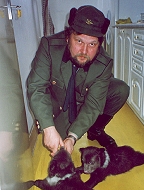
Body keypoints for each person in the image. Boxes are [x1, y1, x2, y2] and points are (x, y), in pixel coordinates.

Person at [27, 5, 129, 155]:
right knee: (57, 142)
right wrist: (48, 127)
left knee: (120, 89)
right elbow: (37, 87)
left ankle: (95, 130)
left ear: (100, 44)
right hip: (58, 103)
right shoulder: (49, 46)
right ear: (68, 37)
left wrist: (72, 137)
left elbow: (94, 104)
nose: (84, 51)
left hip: (84, 101)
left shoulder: (104, 63)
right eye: (79, 41)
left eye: (92, 44)